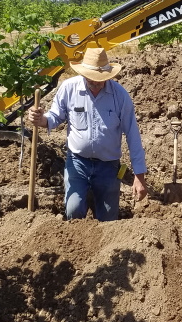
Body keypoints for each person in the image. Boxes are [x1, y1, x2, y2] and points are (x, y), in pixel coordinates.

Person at [28, 47, 148, 221]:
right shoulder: (69, 89)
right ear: (83, 74)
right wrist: (41, 120)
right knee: (73, 210)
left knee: (108, 218)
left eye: (101, 80)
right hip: (78, 162)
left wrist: (139, 177)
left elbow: (133, 136)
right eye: (91, 79)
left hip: (108, 165)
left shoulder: (119, 95)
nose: (96, 83)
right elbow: (55, 116)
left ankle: (96, 201)